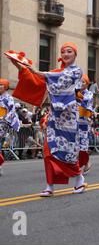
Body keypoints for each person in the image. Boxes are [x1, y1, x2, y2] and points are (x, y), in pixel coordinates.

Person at [11, 42, 87, 197]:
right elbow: (36, 80)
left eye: (69, 51)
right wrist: (21, 67)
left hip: (69, 118)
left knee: (67, 151)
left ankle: (79, 178)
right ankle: (50, 185)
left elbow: (58, 78)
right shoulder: (55, 73)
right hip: (55, 117)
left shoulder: (76, 71)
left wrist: (38, 72)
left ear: (75, 54)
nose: (66, 54)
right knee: (48, 150)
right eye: (63, 51)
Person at [0, 78, 20, 176]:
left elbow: (12, 111)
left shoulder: (8, 98)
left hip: (2, 123)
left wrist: (5, 119)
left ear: (6, 87)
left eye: (1, 85)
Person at [77, 74, 94, 175]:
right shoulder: (75, 92)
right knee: (74, 145)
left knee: (83, 146)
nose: (81, 83)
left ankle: (85, 163)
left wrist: (76, 97)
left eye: (83, 82)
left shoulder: (89, 94)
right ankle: (80, 165)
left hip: (83, 122)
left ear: (87, 84)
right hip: (73, 122)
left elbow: (85, 103)